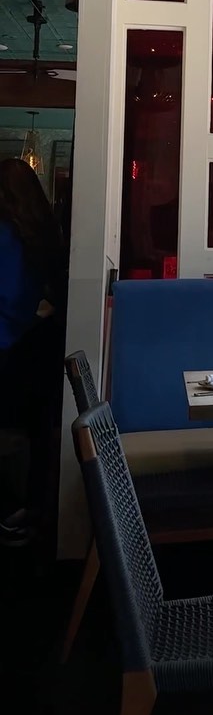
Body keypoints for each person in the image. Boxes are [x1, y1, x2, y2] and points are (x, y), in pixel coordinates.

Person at [0, 158, 67, 546]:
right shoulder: (46, 231)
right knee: (38, 431)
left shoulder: (6, 234)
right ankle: (30, 511)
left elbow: (7, 295)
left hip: (10, 342)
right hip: (39, 341)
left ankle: (16, 511)